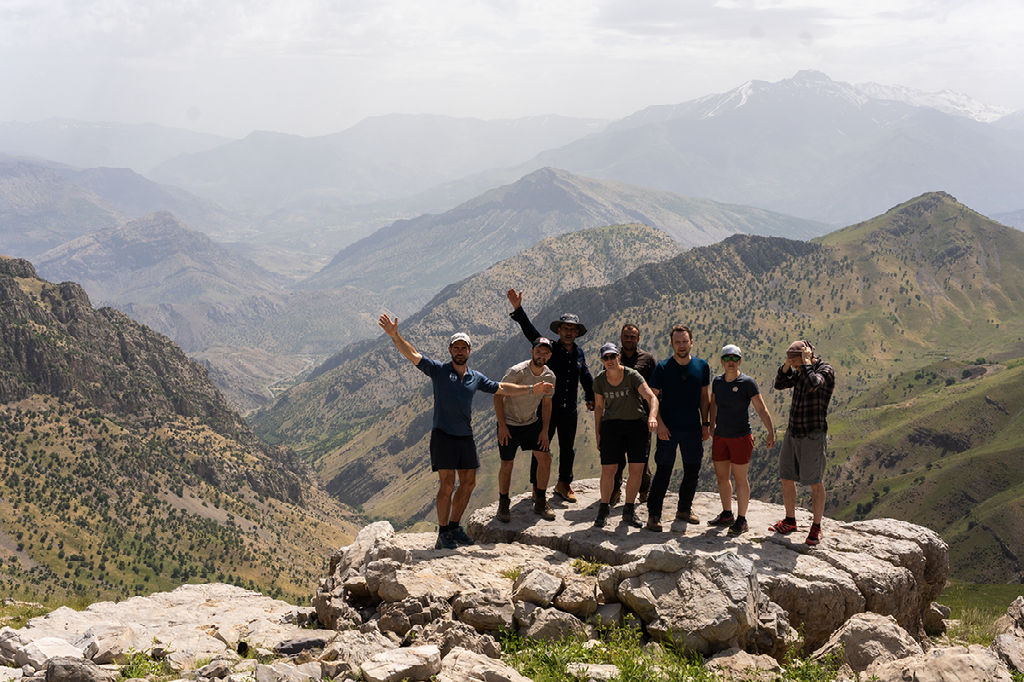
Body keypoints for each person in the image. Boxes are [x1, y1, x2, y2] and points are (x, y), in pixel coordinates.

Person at [378, 314, 553, 550]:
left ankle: (454, 527)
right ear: (450, 349)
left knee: (469, 483)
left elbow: (501, 388)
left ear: (470, 350)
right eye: (456, 347)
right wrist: (395, 336)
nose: (460, 351)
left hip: (465, 436)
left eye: (464, 347)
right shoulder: (439, 370)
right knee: (447, 485)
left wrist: (532, 389)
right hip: (443, 435)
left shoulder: (475, 377)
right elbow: (413, 355)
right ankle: (442, 533)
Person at [506, 289, 595, 504]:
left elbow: (585, 374)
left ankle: (564, 483)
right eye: (565, 328)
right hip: (547, 408)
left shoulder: (579, 353)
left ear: (576, 333)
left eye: (572, 330)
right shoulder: (550, 348)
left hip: (569, 409)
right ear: (560, 330)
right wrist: (518, 309)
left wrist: (591, 396)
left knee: (567, 447)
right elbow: (531, 333)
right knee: (541, 445)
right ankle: (538, 486)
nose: (568, 332)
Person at [769, 339, 836, 546]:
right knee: (786, 476)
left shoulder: (825, 370)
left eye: (794, 359)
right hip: (793, 431)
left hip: (812, 434)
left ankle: (816, 526)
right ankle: (790, 520)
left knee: (815, 481)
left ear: (806, 355)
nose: (794, 365)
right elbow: (779, 384)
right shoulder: (799, 371)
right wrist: (788, 365)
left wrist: (805, 364)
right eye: (791, 360)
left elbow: (813, 384)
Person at [645, 325, 711, 532]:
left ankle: (684, 509)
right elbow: (652, 397)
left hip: (692, 428)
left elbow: (704, 397)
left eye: (685, 341)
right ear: (672, 344)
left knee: (692, 471)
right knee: (663, 471)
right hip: (668, 428)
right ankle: (654, 515)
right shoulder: (662, 368)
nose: (681, 345)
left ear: (691, 342)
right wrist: (660, 424)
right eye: (677, 342)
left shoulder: (702, 366)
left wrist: (705, 424)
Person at [706, 344, 776, 535]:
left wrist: (771, 431)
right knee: (722, 478)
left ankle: (742, 520)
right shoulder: (718, 382)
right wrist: (711, 424)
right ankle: (727, 514)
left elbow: (761, 408)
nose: (731, 362)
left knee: (740, 479)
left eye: (735, 359)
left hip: (741, 437)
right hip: (721, 436)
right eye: (727, 359)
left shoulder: (747, 383)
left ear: (740, 361)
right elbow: (713, 404)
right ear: (721, 361)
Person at [592, 343, 659, 528]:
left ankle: (628, 510)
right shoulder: (599, 380)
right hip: (611, 426)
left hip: (636, 425)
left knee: (636, 470)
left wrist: (652, 416)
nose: (610, 361)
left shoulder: (632, 375)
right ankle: (604, 508)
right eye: (606, 358)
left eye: (612, 356)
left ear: (619, 356)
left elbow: (651, 397)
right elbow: (599, 408)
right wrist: (598, 433)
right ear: (602, 360)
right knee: (609, 470)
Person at [494, 337, 558, 523]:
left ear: (550, 355)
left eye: (546, 352)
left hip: (531, 422)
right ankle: (503, 504)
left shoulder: (549, 376)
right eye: (539, 351)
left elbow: (547, 404)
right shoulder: (517, 372)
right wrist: (502, 426)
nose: (542, 355)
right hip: (510, 423)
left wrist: (545, 430)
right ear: (532, 352)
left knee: (545, 459)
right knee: (507, 464)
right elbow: (498, 396)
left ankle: (540, 500)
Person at [611, 324, 657, 506]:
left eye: (633, 337)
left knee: (641, 459)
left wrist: (654, 415)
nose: (629, 339)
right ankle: (615, 490)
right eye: (626, 336)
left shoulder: (647, 359)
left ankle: (644, 490)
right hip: (617, 417)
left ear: (638, 339)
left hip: (641, 419)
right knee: (616, 458)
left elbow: (655, 390)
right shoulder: (614, 358)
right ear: (621, 338)